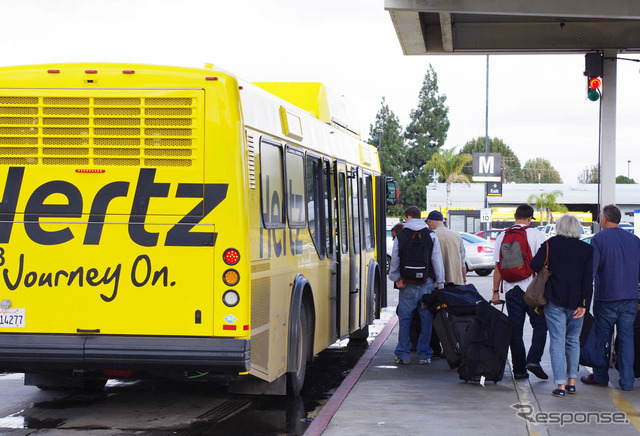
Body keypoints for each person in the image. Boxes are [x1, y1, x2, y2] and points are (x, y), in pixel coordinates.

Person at [530, 214, 593, 397]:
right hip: (577, 303)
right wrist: (584, 305)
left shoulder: (550, 244)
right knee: (573, 341)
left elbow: (534, 265)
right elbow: (588, 280)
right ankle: (572, 382)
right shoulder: (586, 249)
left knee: (557, 341)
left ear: (559, 227)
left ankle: (560, 385)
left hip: (554, 299)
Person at [581, 204, 640, 391]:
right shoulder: (634, 240)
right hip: (630, 297)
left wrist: (583, 298)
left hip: (607, 297)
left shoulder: (598, 239)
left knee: (603, 338)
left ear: (604, 218)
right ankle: (627, 381)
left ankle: (600, 376)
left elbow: (591, 270)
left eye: (600, 216)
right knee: (626, 338)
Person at [492, 204, 548, 380]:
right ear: (530, 218)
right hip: (532, 291)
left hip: (510, 290)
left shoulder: (502, 236)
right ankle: (533, 360)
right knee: (540, 325)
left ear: (515, 216)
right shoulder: (537, 234)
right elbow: (544, 264)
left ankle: (519, 370)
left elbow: (497, 267)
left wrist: (495, 292)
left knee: (515, 330)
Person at [389, 206, 445, 365]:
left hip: (407, 284)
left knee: (405, 320)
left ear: (407, 217)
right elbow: (437, 261)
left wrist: (396, 278)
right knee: (426, 320)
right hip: (426, 284)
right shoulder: (431, 235)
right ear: (420, 217)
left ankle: (402, 354)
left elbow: (395, 261)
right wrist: (440, 283)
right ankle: (424, 355)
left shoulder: (401, 236)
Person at [426, 210, 467, 286]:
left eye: (428, 223)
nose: (428, 226)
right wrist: (464, 280)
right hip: (456, 281)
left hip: (436, 283)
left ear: (430, 221)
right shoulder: (457, 236)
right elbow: (462, 261)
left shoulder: (431, 235)